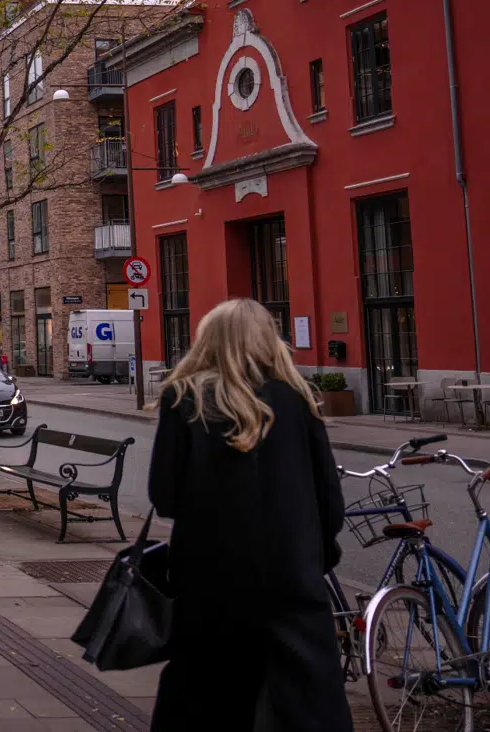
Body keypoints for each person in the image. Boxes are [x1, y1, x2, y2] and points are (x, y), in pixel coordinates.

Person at [147, 299, 350, 732]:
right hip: (292, 578)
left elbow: (163, 496)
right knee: (305, 702)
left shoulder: (184, 397)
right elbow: (329, 497)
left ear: (208, 341)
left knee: (206, 696)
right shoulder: (296, 398)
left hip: (210, 578)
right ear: (267, 340)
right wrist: (315, 552)